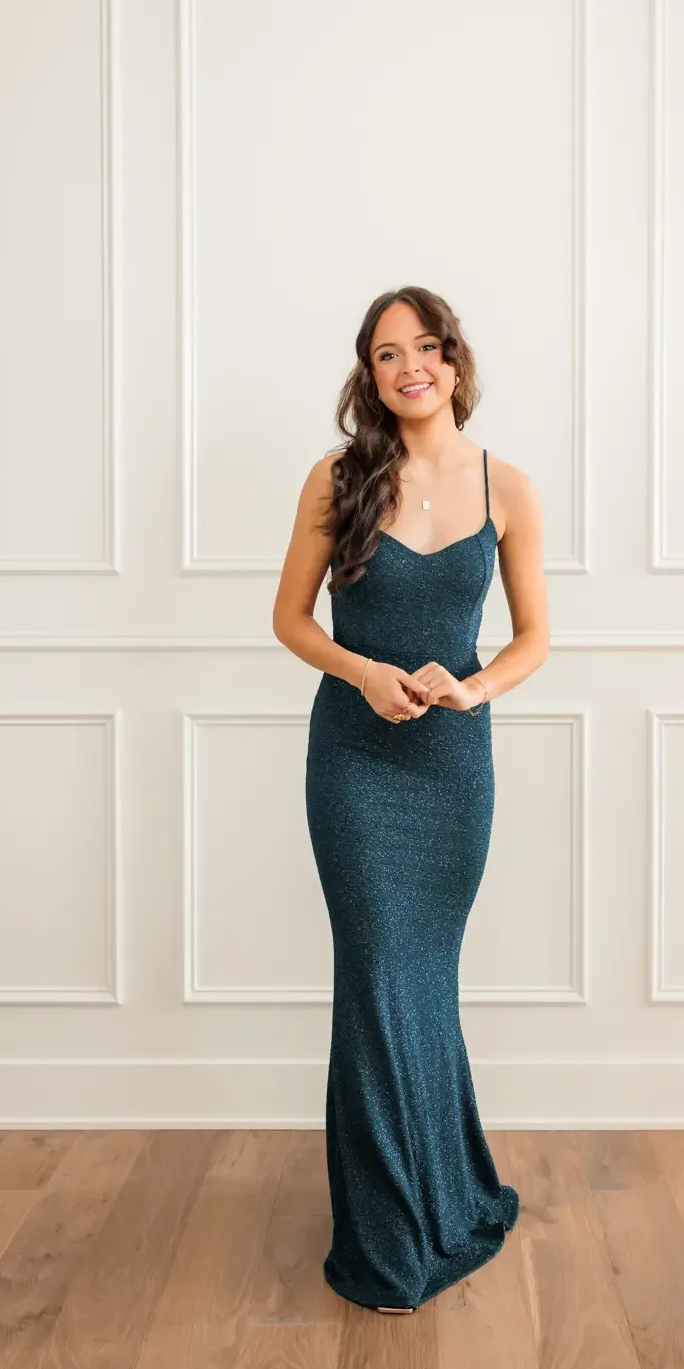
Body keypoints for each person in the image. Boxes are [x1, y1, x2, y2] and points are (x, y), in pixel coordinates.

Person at [272, 285, 550, 1313]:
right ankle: (387, 1245)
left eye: (423, 347)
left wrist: (466, 686)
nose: (408, 368)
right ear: (369, 374)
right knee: (378, 973)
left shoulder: (506, 486)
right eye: (386, 354)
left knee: (421, 981)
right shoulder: (336, 477)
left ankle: (443, 1199)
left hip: (451, 769)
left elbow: (533, 638)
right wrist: (359, 671)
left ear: (452, 360)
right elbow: (288, 619)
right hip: (352, 760)